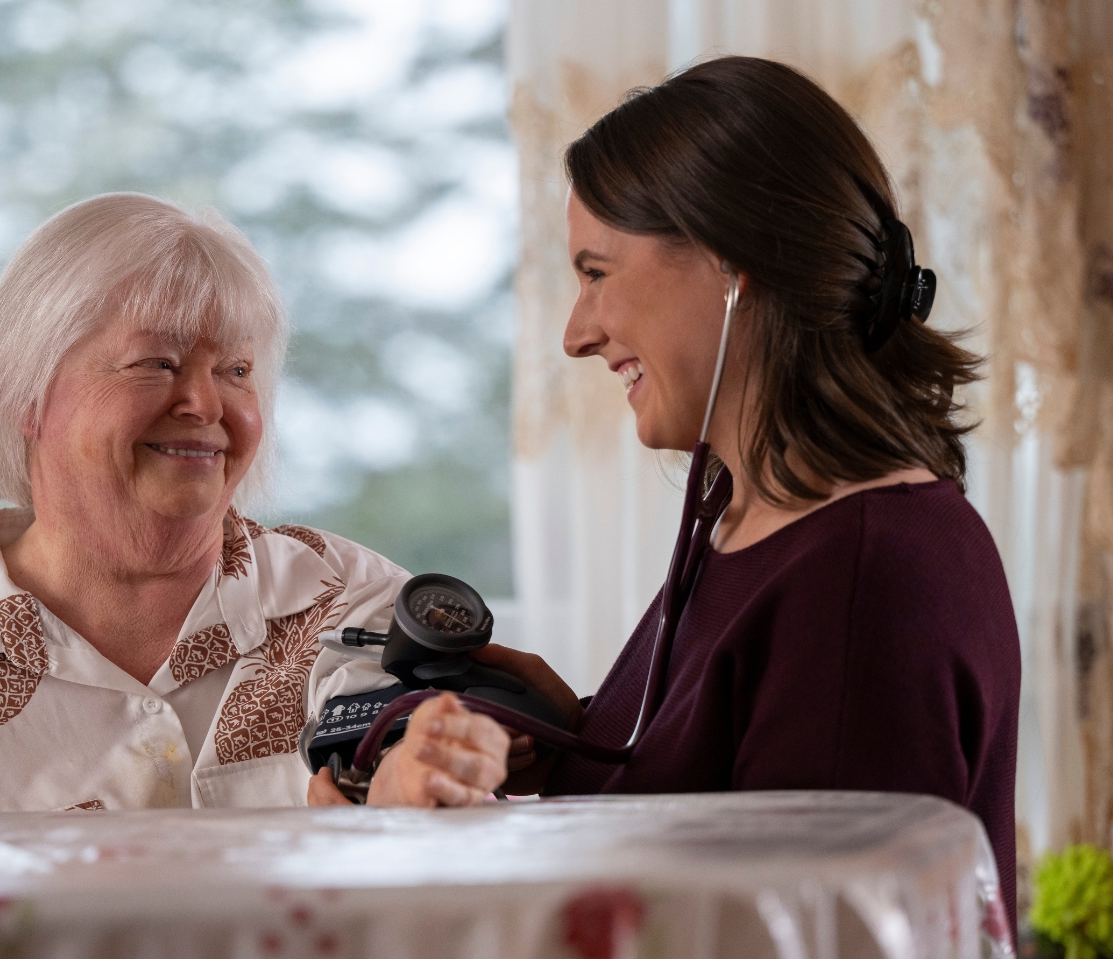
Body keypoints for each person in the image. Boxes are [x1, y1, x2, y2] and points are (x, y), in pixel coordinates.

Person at [391, 56, 1020, 928]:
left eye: (596, 272)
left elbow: (798, 939)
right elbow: (718, 823)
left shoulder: (857, 577)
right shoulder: (749, 522)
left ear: (732, 261)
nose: (576, 334)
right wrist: (571, 730)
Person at [0, 193, 509, 813]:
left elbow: (421, 778)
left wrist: (423, 787)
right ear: (24, 396)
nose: (205, 403)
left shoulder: (352, 607)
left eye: (235, 370)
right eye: (156, 363)